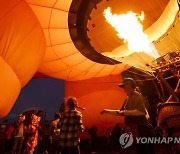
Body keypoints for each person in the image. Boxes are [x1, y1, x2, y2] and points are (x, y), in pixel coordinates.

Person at [101, 78, 155, 154]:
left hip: (142, 128)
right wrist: (107, 111)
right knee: (140, 148)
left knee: (145, 149)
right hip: (136, 128)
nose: (123, 88)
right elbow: (121, 112)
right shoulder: (127, 98)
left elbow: (141, 112)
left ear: (129, 85)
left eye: (124, 86)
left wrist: (126, 113)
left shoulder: (136, 95)